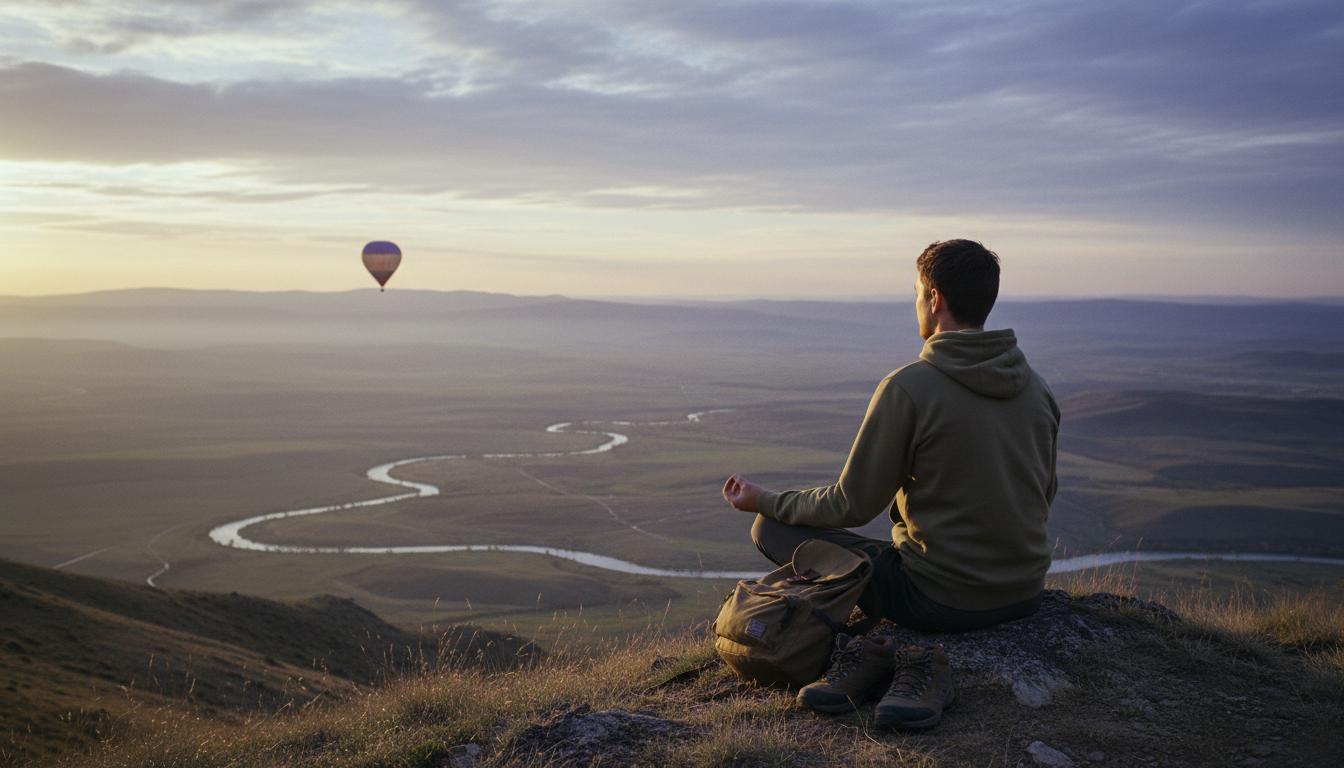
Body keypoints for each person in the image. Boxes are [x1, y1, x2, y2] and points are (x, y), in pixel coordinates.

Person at [721, 239, 1059, 728]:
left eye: (918, 293)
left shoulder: (909, 387)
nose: (916, 304)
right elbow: (1043, 495)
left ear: (935, 298)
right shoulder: (1037, 387)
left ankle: (863, 654)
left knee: (768, 529)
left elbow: (850, 505)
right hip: (1025, 592)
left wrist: (764, 499)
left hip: (938, 600)